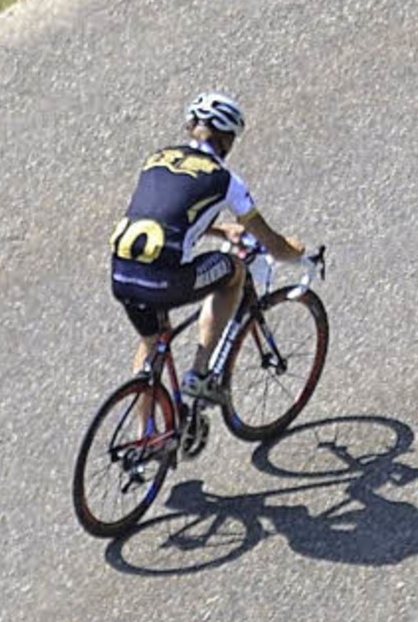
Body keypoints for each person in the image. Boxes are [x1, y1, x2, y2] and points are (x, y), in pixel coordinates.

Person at [110, 90, 304, 405]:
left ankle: (148, 437)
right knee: (234, 272)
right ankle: (200, 374)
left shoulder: (156, 159)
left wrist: (218, 229)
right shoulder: (224, 179)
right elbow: (271, 242)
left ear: (191, 127)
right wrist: (297, 252)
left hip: (121, 274)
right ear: (227, 140)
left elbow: (161, 217)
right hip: (164, 281)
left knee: (154, 343)